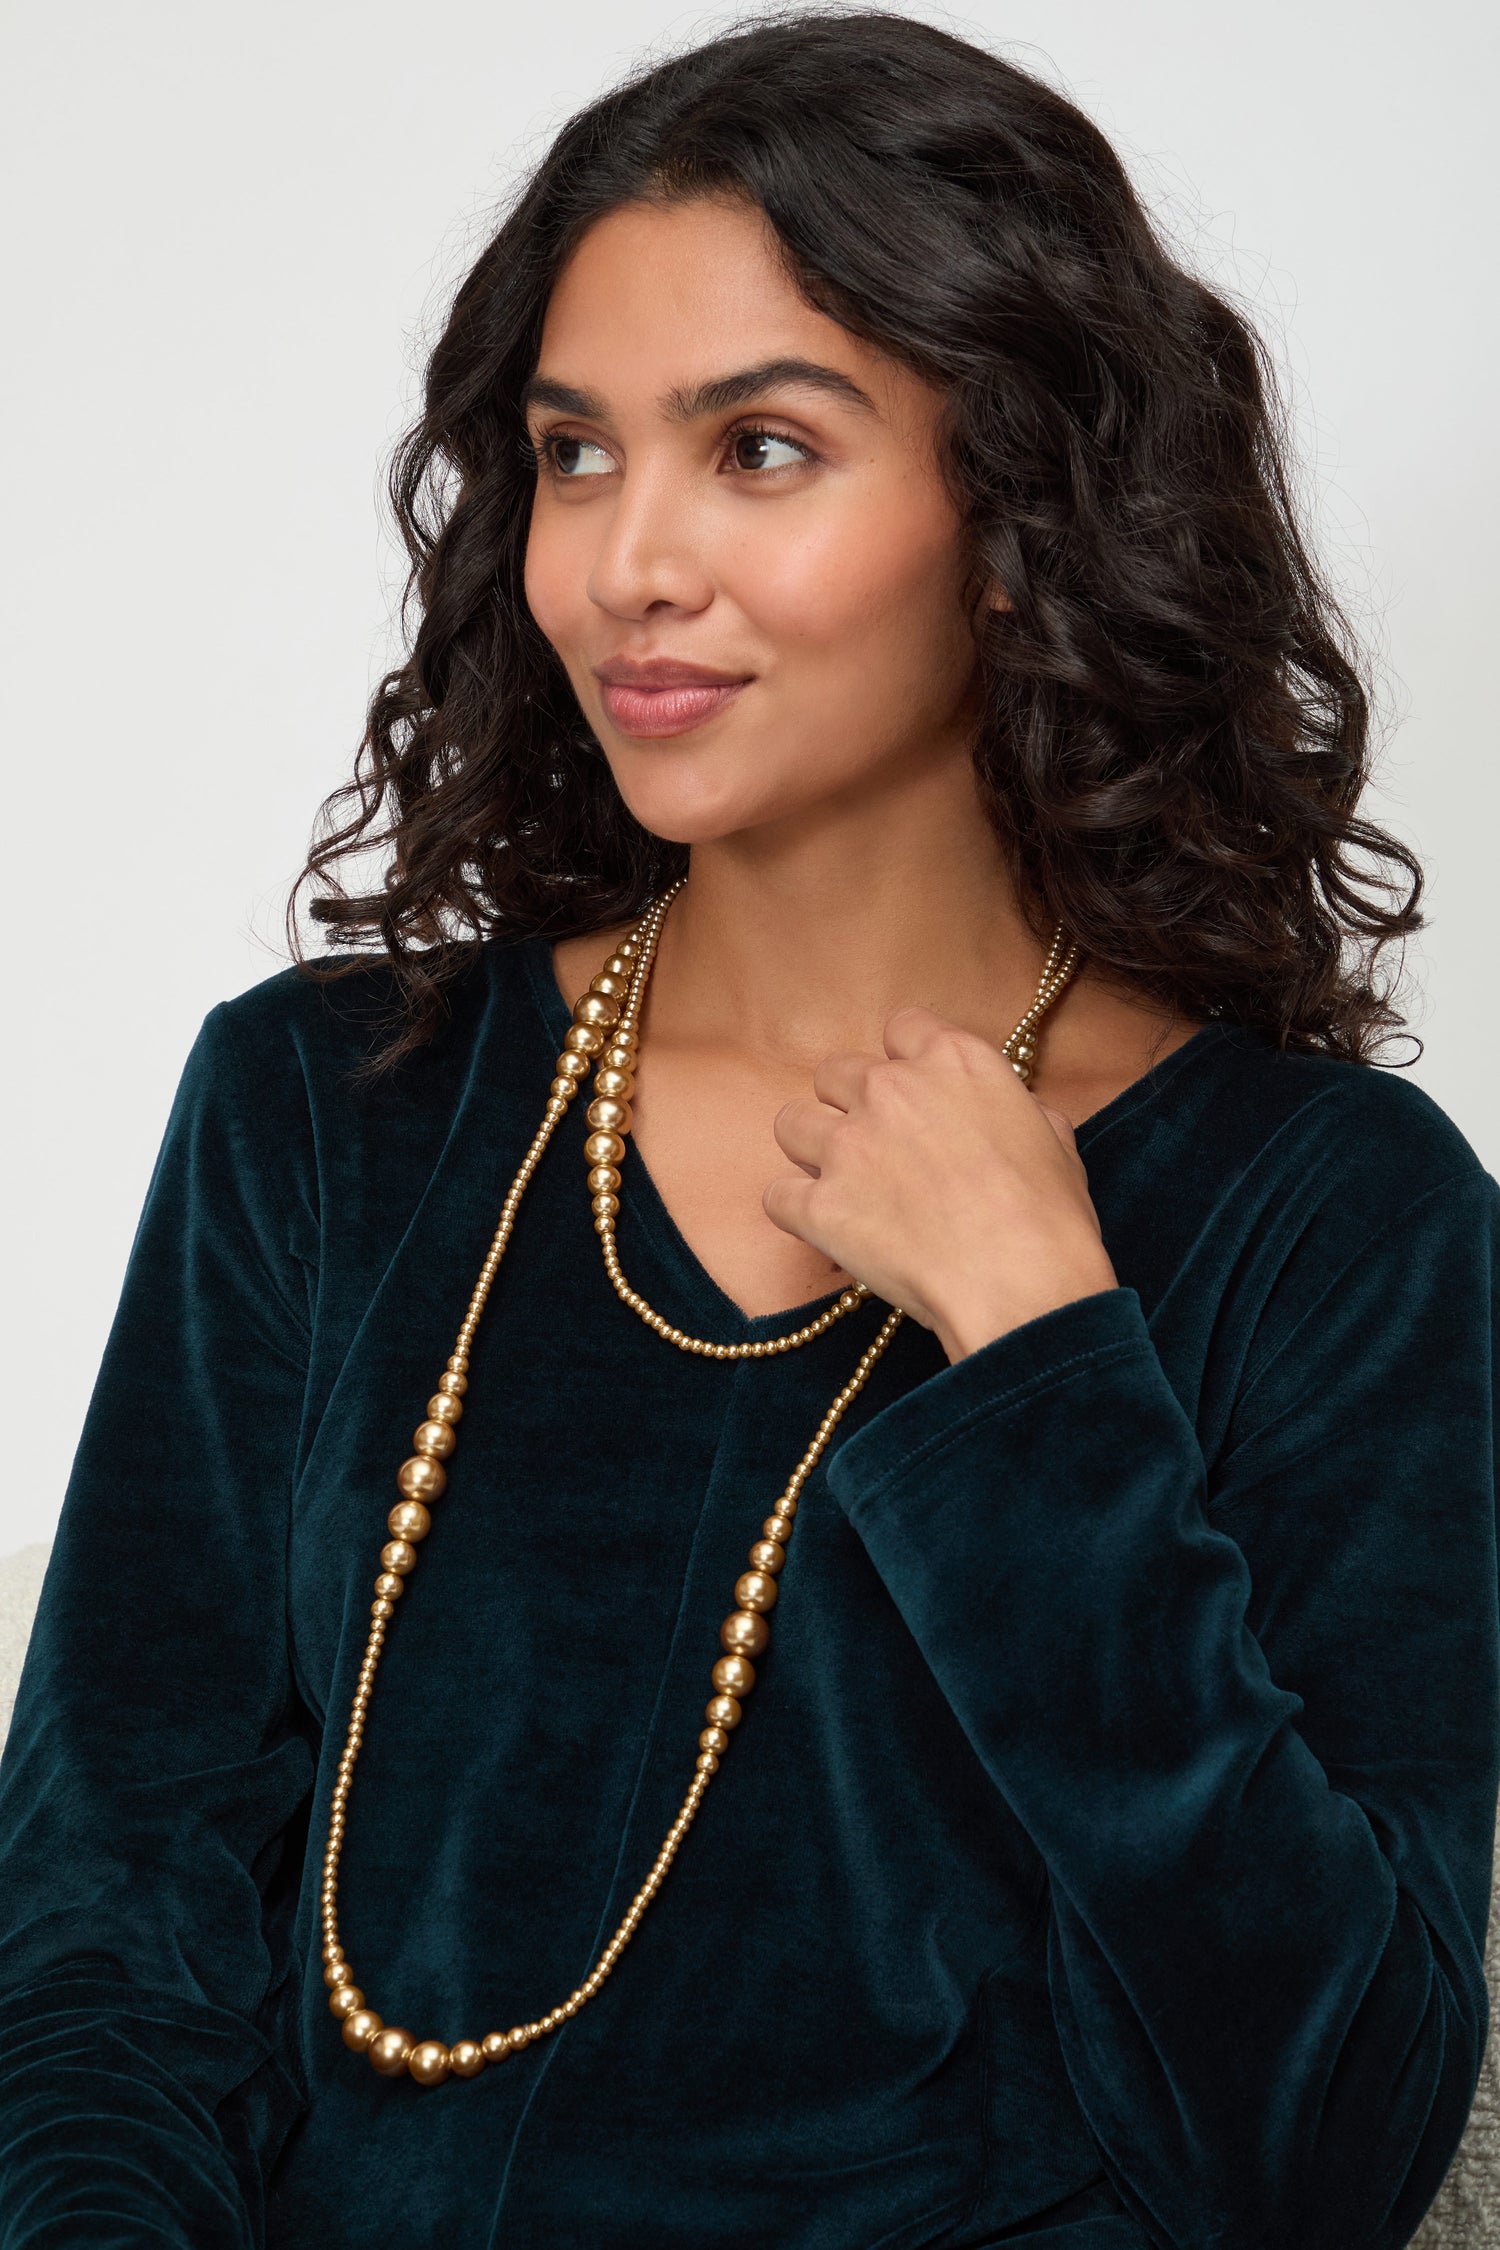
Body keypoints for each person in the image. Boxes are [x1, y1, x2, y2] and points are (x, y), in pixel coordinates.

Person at [0, 12, 1495, 2247]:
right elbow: (104, 1927)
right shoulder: (324, 1108)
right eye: (576, 456)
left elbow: (1326, 2155)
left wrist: (1041, 1348)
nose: (627, 567)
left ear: (1018, 519)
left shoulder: (1333, 1225)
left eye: (763, 452)